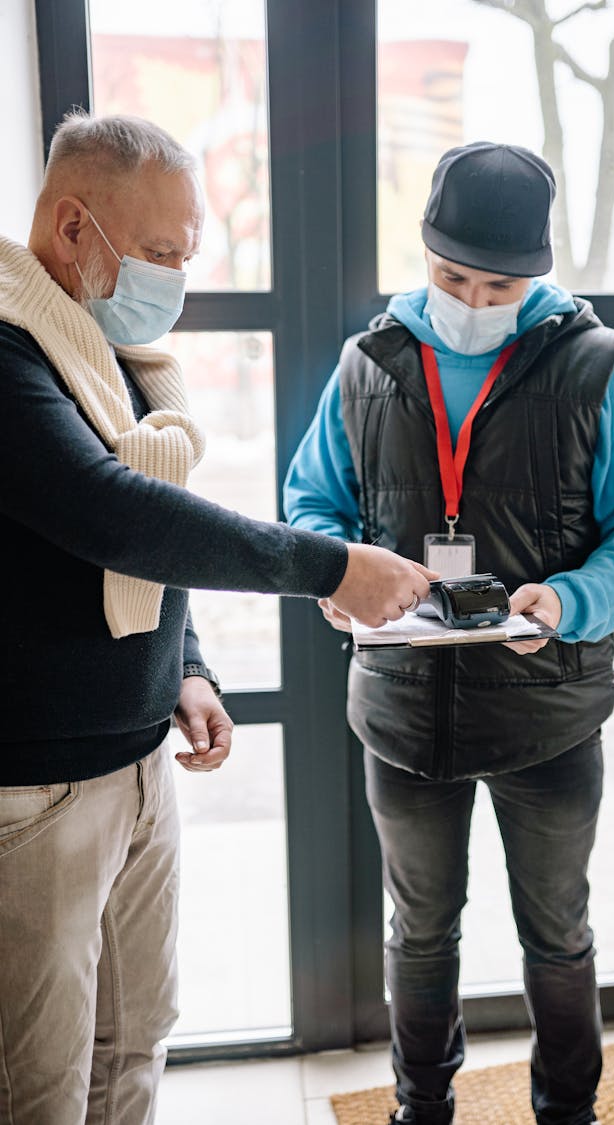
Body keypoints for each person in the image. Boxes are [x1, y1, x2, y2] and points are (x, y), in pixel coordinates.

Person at [0, 111, 435, 1125]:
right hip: (39, 791)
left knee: (135, 1040)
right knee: (41, 1081)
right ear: (73, 228)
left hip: (138, 757)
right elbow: (116, 514)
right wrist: (329, 564)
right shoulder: (10, 359)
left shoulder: (110, 351)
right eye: (157, 253)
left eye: (186, 253)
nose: (176, 278)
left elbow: (146, 512)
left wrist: (187, 662)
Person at [284, 141, 614, 1125]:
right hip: (404, 716)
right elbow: (311, 506)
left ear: (539, 273)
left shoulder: (594, 366)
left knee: (558, 935)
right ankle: (420, 1110)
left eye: (499, 282)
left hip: (547, 715)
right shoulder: (368, 361)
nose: (471, 297)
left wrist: (570, 599)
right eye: (450, 275)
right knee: (420, 936)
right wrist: (335, 579)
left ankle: (568, 1112)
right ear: (423, 256)